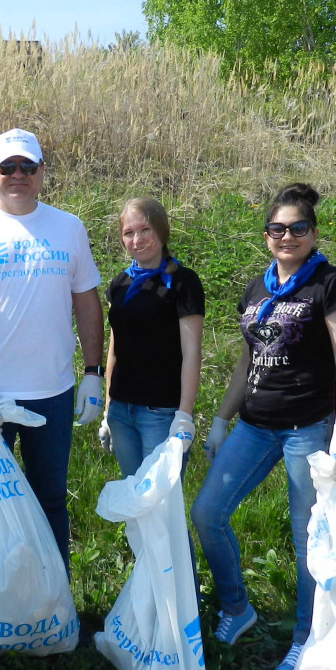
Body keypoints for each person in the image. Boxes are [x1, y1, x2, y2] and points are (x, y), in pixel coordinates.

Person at [191, 183, 336, 670]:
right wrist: (222, 418)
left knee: (307, 535)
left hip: (307, 428)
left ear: (313, 233)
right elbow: (248, 359)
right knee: (207, 512)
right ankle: (237, 607)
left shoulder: (330, 284)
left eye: (298, 228)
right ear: (266, 237)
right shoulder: (257, 289)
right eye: (278, 229)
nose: (287, 236)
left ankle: (305, 639)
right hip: (254, 425)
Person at [0, 128, 103, 567]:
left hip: (53, 391)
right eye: (7, 167)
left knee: (50, 498)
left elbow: (87, 303)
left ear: (42, 173)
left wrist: (92, 373)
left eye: (27, 166)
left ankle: (54, 607)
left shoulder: (69, 227)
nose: (17, 175)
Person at [98, 197, 203, 476]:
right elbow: (114, 350)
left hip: (161, 412)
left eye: (144, 229)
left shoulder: (184, 282)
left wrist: (184, 415)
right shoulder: (119, 284)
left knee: (159, 504)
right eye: (128, 233)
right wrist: (108, 409)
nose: (137, 239)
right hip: (122, 411)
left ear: (160, 229)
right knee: (134, 501)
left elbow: (192, 352)